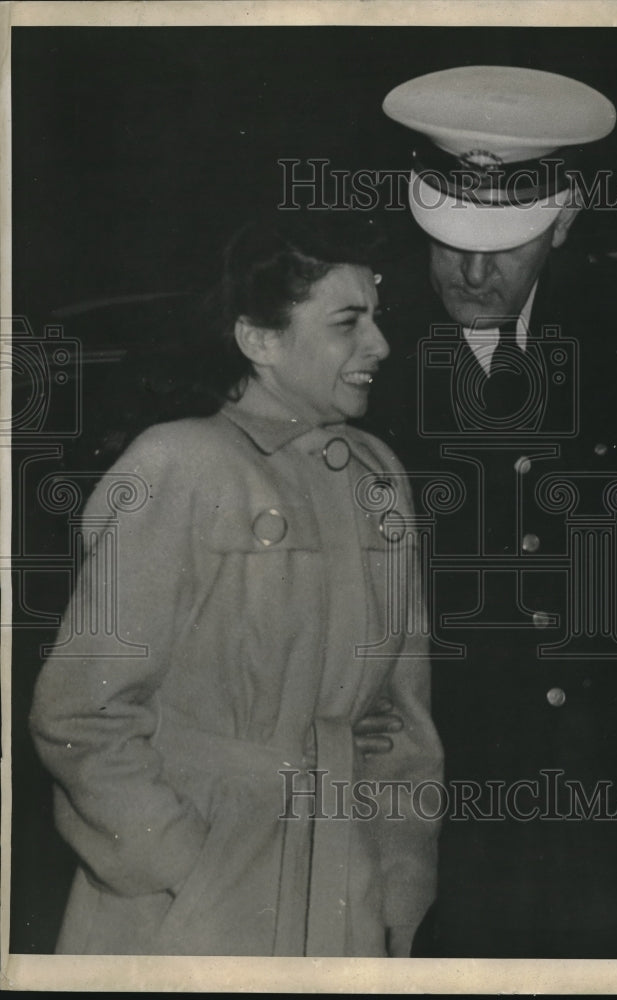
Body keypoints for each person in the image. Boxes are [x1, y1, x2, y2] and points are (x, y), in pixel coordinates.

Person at [364, 66, 617, 957]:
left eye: (504, 245)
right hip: (437, 779)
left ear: (566, 217)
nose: (472, 270)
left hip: (613, 783)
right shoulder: (363, 340)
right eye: (448, 239)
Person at [29, 212, 443, 957]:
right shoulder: (179, 465)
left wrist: (399, 877)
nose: (379, 345)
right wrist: (182, 868)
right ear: (260, 340)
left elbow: (399, 721)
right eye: (348, 323)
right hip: (186, 911)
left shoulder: (378, 474)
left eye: (378, 320)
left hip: (343, 892)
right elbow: (82, 716)